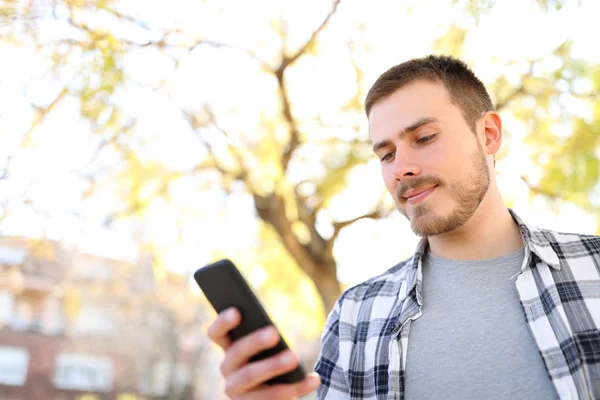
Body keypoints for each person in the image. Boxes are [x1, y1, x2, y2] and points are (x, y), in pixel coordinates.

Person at [206, 55, 600, 400]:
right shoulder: (355, 317)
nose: (401, 168)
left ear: (489, 134)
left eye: (424, 138)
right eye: (387, 154)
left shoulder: (594, 269)